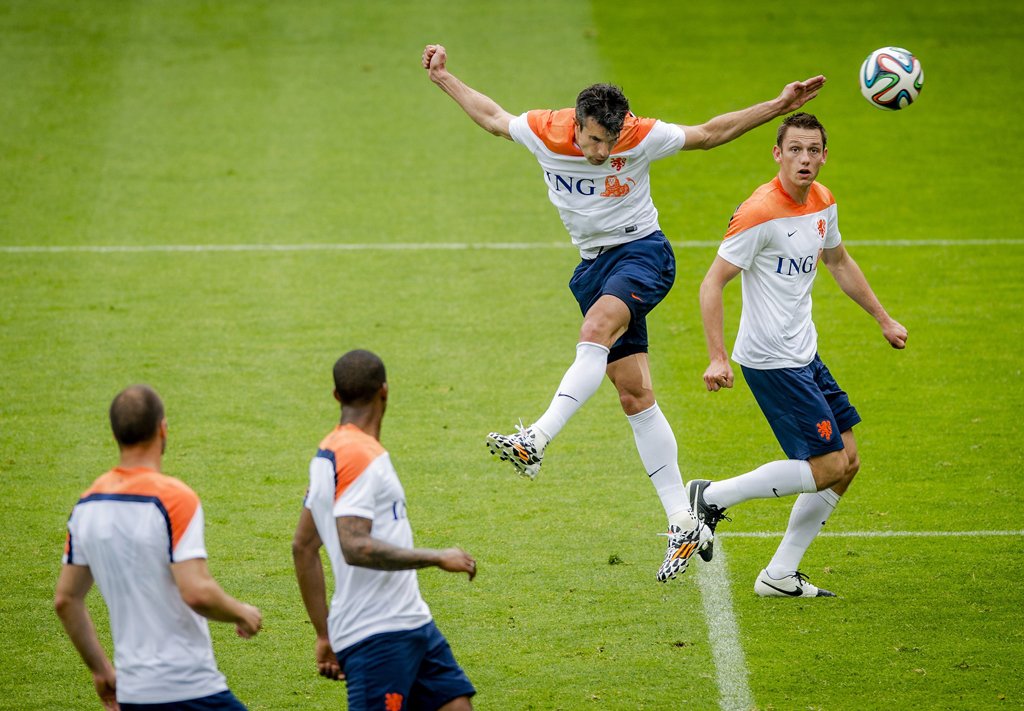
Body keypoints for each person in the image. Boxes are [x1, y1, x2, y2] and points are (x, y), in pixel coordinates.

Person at [422, 43, 826, 581]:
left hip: (642, 255)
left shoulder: (637, 135)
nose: (601, 152)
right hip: (593, 268)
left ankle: (535, 440)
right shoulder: (545, 130)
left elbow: (709, 134)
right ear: (578, 124)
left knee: (595, 330)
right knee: (635, 396)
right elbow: (493, 118)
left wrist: (777, 107)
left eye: (610, 143)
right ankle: (683, 520)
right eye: (593, 140)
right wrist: (445, 79)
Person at [695, 112, 908, 597]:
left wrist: (883, 318)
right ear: (777, 154)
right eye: (795, 149)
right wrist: (717, 357)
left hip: (804, 352)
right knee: (829, 465)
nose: (805, 159)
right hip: (771, 360)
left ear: (824, 156)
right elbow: (712, 283)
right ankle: (710, 496)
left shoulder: (823, 202)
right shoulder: (758, 212)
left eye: (813, 150)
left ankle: (779, 575)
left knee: (848, 461)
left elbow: (838, 260)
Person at [54, 385, 262, 710]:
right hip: (187, 689)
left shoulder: (86, 506)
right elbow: (197, 592)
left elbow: (67, 599)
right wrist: (242, 613)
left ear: (115, 435)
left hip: (134, 694)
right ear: (162, 429)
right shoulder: (174, 499)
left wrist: (101, 671)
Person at [292, 349, 477, 711]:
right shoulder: (359, 455)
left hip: (413, 622)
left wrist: (324, 633)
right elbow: (354, 546)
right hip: (376, 634)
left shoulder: (328, 452)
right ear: (385, 391)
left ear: (336, 396)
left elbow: (303, 546)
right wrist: (437, 557)